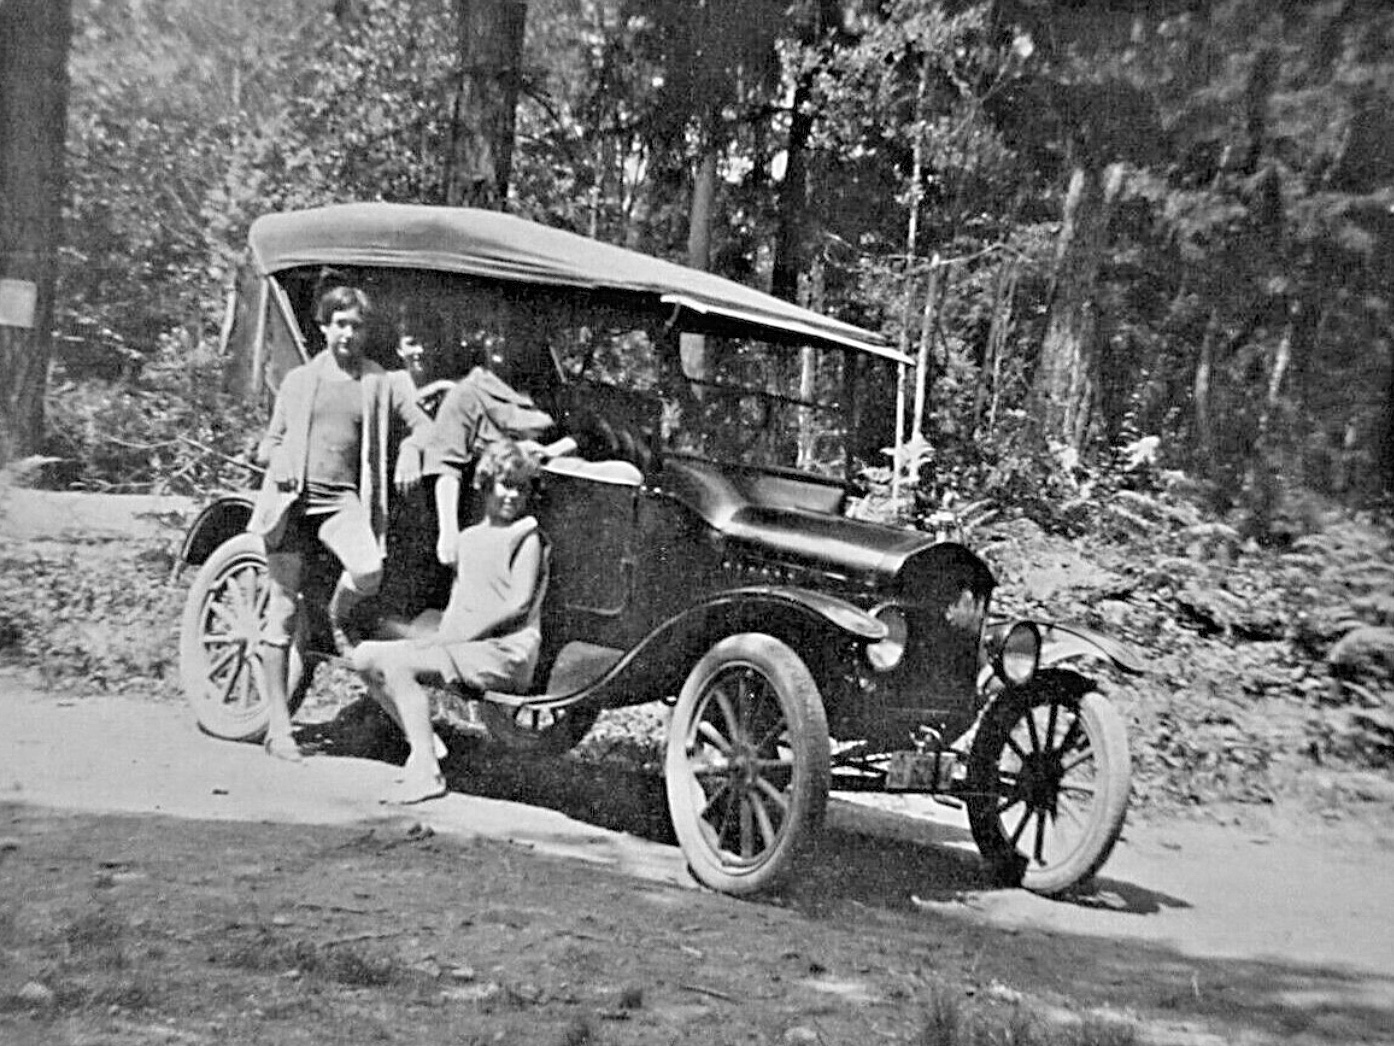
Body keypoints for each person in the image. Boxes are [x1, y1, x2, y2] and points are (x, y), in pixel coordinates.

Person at [248, 285, 432, 761]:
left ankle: (335, 616)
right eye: (340, 324)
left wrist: (411, 449)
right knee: (281, 613)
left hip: (340, 503)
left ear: (367, 332)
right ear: (324, 327)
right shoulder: (298, 381)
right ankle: (279, 728)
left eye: (357, 326)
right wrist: (279, 460)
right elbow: (267, 446)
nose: (348, 334)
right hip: (292, 504)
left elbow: (425, 427)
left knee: (369, 570)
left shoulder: (380, 381)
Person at [351, 440, 549, 804]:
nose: (512, 496)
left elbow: (518, 603)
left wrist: (459, 638)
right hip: (465, 645)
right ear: (486, 484)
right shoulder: (469, 539)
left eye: (521, 489)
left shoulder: (526, 536)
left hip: (505, 650)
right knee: (364, 656)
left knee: (399, 666)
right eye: (506, 485)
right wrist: (442, 637)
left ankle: (428, 772)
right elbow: (460, 601)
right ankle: (424, 743)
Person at [422, 332, 574, 567]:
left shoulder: (549, 395)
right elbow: (446, 467)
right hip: (491, 521)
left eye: (515, 333)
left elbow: (587, 431)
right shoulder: (467, 394)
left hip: (550, 523)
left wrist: (553, 450)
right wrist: (449, 533)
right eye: (496, 334)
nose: (501, 342)